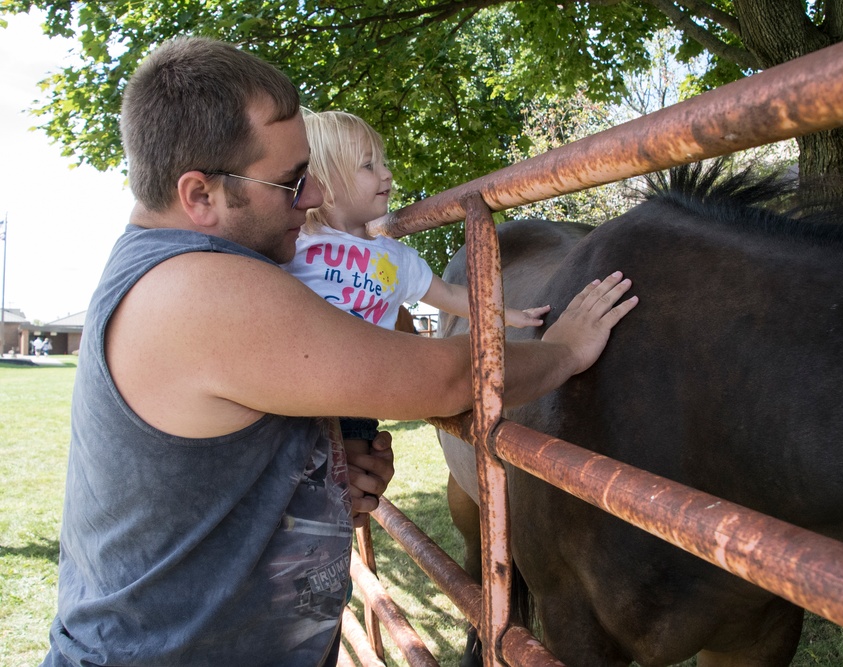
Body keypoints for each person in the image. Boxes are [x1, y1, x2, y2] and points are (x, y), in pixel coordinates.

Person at [41, 36, 636, 667]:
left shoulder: (171, 269)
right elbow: (443, 378)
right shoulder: (199, 289)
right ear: (200, 196)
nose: (314, 199)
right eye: (292, 183)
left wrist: (310, 481)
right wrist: (566, 350)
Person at [282, 110, 552, 462]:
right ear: (324, 182)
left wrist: (509, 315)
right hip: (295, 390)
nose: (386, 173)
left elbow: (451, 295)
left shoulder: (396, 259)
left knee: (344, 486)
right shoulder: (298, 241)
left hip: (357, 396)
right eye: (368, 165)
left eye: (383, 162)